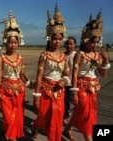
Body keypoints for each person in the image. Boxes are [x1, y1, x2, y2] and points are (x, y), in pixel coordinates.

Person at [63, 10, 111, 141]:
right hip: (81, 86)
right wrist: (73, 92)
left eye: (97, 42)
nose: (94, 44)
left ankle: (67, 129)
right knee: (86, 113)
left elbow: (102, 74)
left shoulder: (97, 55)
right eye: (92, 42)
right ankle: (89, 138)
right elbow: (75, 73)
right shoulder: (80, 54)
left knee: (82, 112)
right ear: (86, 40)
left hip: (93, 87)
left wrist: (105, 61)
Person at [30, 5, 70, 141]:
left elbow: (67, 74)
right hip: (45, 90)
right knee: (43, 116)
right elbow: (39, 76)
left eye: (59, 39)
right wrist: (36, 96)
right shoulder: (44, 55)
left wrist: (64, 81)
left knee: (56, 120)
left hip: (59, 91)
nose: (57, 41)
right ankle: (35, 126)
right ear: (49, 39)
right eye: (55, 39)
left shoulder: (64, 57)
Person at [0, 11, 34, 141]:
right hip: (5, 92)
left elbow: (22, 75)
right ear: (5, 42)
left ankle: (7, 132)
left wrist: (29, 83)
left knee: (16, 119)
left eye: (16, 42)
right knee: (10, 119)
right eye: (11, 42)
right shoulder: (1, 58)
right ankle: (7, 130)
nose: (13, 45)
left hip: (19, 93)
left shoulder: (21, 58)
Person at [63, 36, 77, 125]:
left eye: (71, 44)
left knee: (74, 101)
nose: (69, 46)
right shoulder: (62, 55)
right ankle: (65, 117)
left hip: (74, 82)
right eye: (67, 44)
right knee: (66, 101)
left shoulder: (77, 55)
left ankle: (68, 114)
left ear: (75, 45)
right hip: (65, 83)